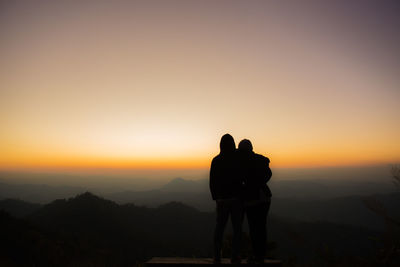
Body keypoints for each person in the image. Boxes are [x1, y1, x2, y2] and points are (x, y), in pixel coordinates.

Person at [210, 134, 243, 264]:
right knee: (237, 229)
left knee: (219, 228)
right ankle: (235, 256)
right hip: (236, 199)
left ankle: (217, 256)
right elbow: (242, 178)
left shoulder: (216, 160)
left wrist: (216, 198)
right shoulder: (237, 159)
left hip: (222, 200)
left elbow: (212, 182)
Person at [238, 139, 272, 264]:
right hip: (265, 198)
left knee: (254, 228)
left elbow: (241, 180)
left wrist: (251, 184)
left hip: (252, 199)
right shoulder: (260, 159)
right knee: (261, 227)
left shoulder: (243, 162)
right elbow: (269, 173)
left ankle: (257, 256)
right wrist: (260, 182)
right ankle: (260, 255)